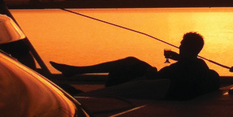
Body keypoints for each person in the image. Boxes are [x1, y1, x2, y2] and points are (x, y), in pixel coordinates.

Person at [51, 32, 220, 100]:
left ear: (187, 47)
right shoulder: (200, 66)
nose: (179, 46)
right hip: (160, 82)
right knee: (132, 62)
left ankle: (76, 71)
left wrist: (152, 72)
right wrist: (178, 58)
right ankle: (75, 71)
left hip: (149, 86)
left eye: (182, 44)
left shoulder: (179, 69)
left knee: (129, 63)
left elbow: (157, 77)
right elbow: (188, 66)